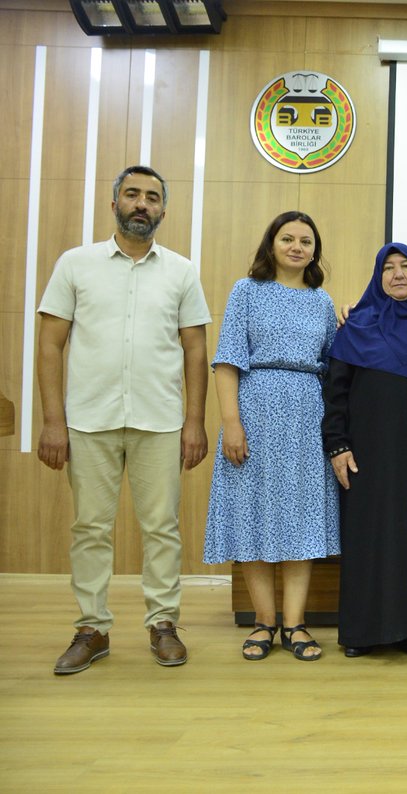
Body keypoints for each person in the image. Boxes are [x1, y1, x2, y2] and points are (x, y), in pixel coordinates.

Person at [37, 164, 210, 674]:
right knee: (90, 526)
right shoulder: (76, 263)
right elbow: (50, 344)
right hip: (89, 419)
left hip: (160, 419)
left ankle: (163, 624)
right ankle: (92, 628)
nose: (142, 204)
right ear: (114, 203)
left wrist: (195, 421)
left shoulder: (181, 270)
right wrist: (52, 421)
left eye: (152, 197)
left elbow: (195, 350)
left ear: (163, 209)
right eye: (132, 194)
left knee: (162, 527)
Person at [203, 211, 339, 661]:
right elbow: (226, 362)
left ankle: (296, 625)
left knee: (300, 519)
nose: (297, 247)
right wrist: (231, 422)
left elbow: (336, 364)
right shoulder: (247, 291)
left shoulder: (322, 301)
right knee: (254, 514)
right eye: (288, 239)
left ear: (315, 251)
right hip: (255, 411)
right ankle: (263, 622)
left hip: (306, 415)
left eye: (306, 241)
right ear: (272, 244)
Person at [322, 242, 407, 657]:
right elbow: (336, 393)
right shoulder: (356, 325)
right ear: (377, 277)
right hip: (368, 452)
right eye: (389, 268)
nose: (398, 274)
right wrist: (338, 445)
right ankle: (363, 631)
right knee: (370, 535)